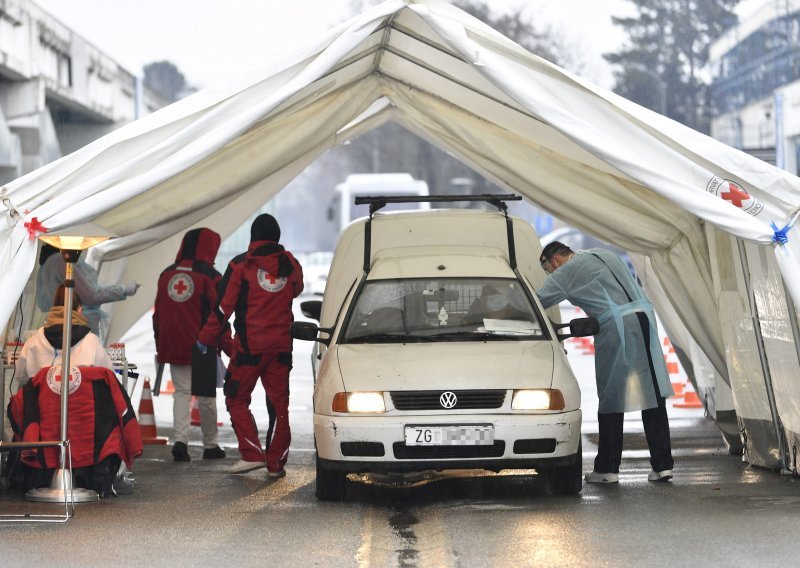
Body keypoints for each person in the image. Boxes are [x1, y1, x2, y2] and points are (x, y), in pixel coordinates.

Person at [536, 241, 674, 484]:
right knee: (652, 393)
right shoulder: (602, 253)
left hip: (617, 327)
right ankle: (663, 465)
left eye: (549, 270)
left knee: (611, 396)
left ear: (554, 260)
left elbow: (537, 303)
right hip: (643, 319)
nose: (551, 274)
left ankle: (608, 468)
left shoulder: (565, 272)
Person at [198, 214, 303, 477]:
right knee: (280, 407)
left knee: (236, 398)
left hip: (248, 349)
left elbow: (223, 309)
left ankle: (252, 453)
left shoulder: (240, 266)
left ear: (253, 236)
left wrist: (205, 338)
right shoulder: (290, 264)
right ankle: (276, 464)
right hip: (281, 349)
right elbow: (297, 289)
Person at [153, 228, 229, 462]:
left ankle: (180, 442)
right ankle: (210, 445)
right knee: (206, 396)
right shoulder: (211, 277)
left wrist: (160, 344)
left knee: (182, 394)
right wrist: (227, 345)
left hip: (173, 345)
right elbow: (220, 313)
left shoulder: (167, 274)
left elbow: (158, 314)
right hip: (202, 345)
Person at [13, 285, 114, 391]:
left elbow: (20, 376)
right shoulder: (91, 342)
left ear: (53, 308)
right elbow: (109, 374)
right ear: (79, 310)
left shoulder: (33, 342)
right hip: (80, 406)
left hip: (42, 406)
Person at [36, 244, 140, 341]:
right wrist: (123, 290)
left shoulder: (47, 264)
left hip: (61, 325)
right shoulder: (61, 261)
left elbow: (42, 304)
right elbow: (90, 296)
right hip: (77, 327)